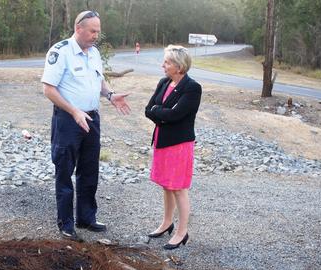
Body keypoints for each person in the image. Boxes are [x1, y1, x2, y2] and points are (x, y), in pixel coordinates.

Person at [41, 10, 130, 241]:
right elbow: (48, 88)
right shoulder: (60, 52)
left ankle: (86, 218)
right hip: (68, 120)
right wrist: (74, 111)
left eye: (98, 31)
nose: (96, 36)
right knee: (64, 171)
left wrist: (110, 95)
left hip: (91, 118)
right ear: (78, 28)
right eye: (92, 31)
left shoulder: (94, 53)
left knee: (90, 170)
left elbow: (98, 79)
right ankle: (66, 224)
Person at [144, 45, 202, 250]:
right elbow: (148, 110)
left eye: (167, 62)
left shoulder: (192, 88)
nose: (163, 65)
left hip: (179, 144)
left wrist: (160, 112)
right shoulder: (163, 82)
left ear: (179, 66)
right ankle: (167, 223)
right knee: (166, 185)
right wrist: (163, 112)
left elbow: (176, 115)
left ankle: (182, 231)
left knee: (178, 188)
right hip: (162, 140)